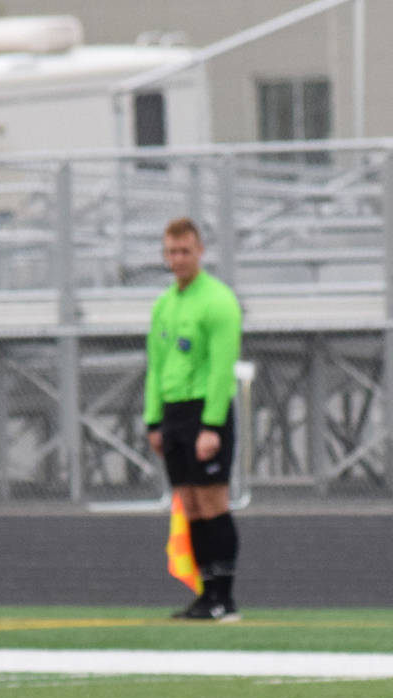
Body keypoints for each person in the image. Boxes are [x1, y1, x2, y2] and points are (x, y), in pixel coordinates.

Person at [144, 216, 244, 620]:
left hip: (206, 410)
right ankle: (206, 593)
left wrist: (211, 425)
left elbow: (222, 369)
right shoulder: (164, 304)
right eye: (171, 252)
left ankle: (224, 596)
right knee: (189, 504)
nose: (177, 259)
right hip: (174, 412)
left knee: (213, 501)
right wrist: (154, 420)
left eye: (184, 251)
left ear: (199, 251)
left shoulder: (218, 301)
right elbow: (155, 365)